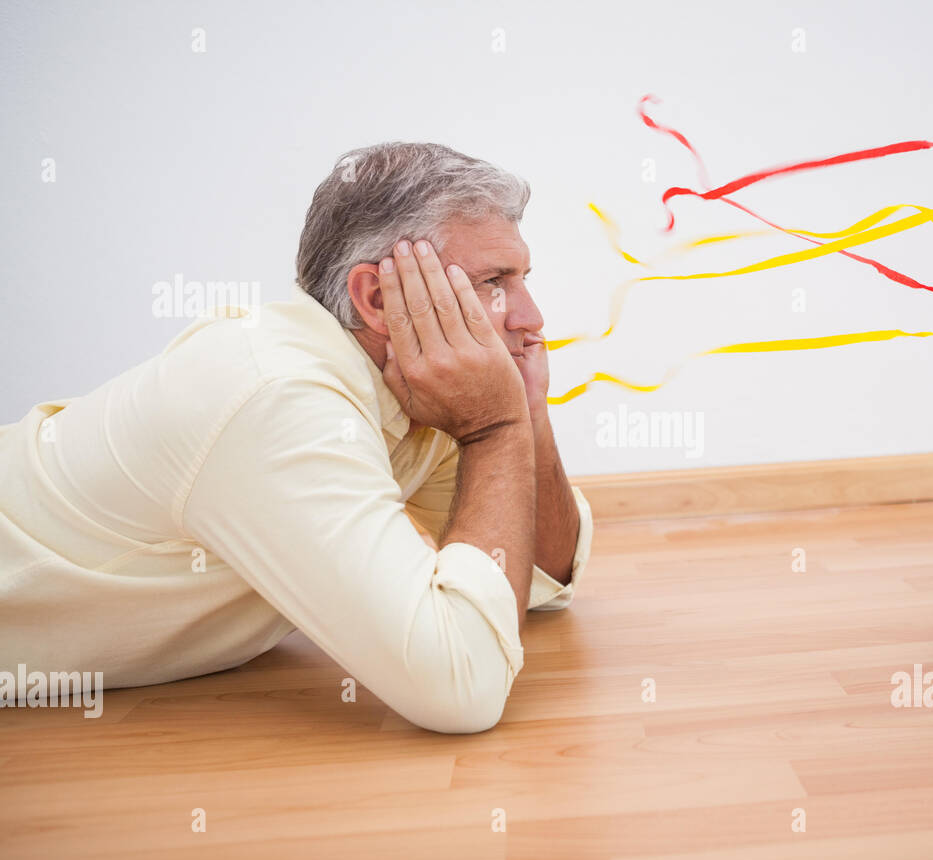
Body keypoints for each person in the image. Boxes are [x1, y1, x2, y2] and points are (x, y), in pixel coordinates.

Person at [0, 142, 592, 733]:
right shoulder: (277, 394)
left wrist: (525, 413)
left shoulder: (416, 393)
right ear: (381, 300)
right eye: (493, 283)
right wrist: (496, 429)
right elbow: (461, 686)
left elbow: (538, 580)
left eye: (521, 281)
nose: (530, 316)